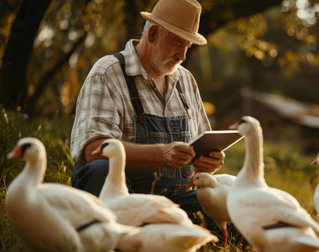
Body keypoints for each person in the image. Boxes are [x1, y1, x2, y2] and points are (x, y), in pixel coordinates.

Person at [70, 0, 225, 230]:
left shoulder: (186, 81)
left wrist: (208, 162)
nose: (183, 55)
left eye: (188, 46)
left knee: (236, 211)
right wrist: (161, 154)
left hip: (173, 204)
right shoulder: (108, 73)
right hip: (124, 201)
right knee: (99, 171)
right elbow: (94, 151)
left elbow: (201, 144)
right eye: (177, 43)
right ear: (153, 34)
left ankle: (162, 232)